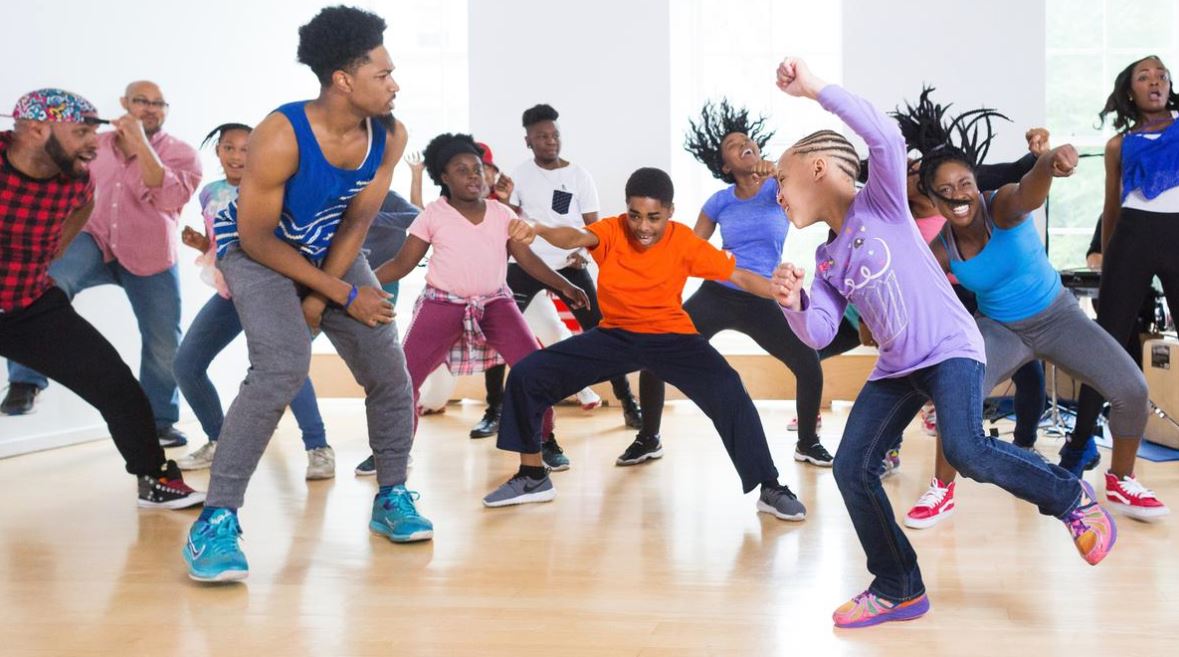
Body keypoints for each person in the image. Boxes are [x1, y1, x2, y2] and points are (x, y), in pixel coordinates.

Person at [769, 57, 1116, 628]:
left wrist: (813, 89)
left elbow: (883, 136)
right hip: (897, 367)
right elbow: (822, 332)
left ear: (817, 168)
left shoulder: (879, 202)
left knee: (966, 448)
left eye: (780, 180)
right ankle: (898, 585)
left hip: (951, 347)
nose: (776, 195)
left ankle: (1070, 499)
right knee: (851, 466)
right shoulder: (827, 259)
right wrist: (794, 306)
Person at [183, 5, 431, 583]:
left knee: (388, 368)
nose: (395, 85)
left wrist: (327, 298)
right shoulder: (280, 134)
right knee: (283, 365)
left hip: (333, 255)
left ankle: (392, 495)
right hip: (261, 258)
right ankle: (215, 520)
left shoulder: (390, 135)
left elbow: (355, 224)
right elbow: (255, 238)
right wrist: (342, 296)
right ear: (343, 80)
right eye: (383, 74)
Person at [481, 166, 806, 524]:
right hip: (616, 336)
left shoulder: (683, 241)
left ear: (670, 211)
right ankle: (532, 476)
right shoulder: (611, 230)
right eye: (635, 215)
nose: (643, 226)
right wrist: (539, 228)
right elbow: (575, 237)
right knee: (528, 374)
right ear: (626, 210)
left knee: (729, 388)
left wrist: (774, 290)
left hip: (672, 337)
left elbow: (739, 275)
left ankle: (770, 486)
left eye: (654, 216)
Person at [914, 128, 1167, 521]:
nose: (958, 194)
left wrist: (1048, 162)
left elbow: (1030, 190)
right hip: (1000, 328)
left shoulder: (1001, 207)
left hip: (1058, 316)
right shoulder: (942, 248)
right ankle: (942, 488)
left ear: (976, 183)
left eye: (964, 182)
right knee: (955, 394)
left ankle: (1120, 479)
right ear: (932, 201)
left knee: (1132, 389)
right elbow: (910, 285)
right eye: (944, 189)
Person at [0, 88, 203, 509]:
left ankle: (154, 479)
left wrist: (39, 261)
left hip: (27, 306)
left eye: (95, 132)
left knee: (117, 385)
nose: (95, 143)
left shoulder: (76, 180)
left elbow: (72, 223)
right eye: (81, 132)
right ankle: (24, 384)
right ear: (37, 130)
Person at [622, 99, 830, 468]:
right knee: (654, 351)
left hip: (763, 296)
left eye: (747, 140)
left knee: (807, 363)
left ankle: (808, 442)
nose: (743, 144)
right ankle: (648, 437)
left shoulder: (777, 190)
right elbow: (689, 249)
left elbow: (808, 186)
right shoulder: (719, 201)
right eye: (734, 145)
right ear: (725, 166)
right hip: (719, 291)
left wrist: (780, 172)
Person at [373, 132, 587, 475]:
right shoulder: (433, 215)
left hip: (495, 304)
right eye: (462, 170)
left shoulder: (502, 214)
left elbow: (527, 260)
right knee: (404, 376)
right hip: (442, 304)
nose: (474, 175)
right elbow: (402, 263)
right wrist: (355, 286)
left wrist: (564, 285)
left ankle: (545, 440)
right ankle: (393, 449)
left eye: (477, 169)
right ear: (444, 177)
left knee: (534, 368)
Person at [473, 103, 647, 440]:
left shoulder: (579, 177)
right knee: (496, 334)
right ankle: (493, 410)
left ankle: (628, 401)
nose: (550, 141)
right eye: (541, 136)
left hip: (569, 265)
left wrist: (582, 252)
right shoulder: (519, 175)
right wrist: (507, 200)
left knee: (602, 331)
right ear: (529, 141)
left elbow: (596, 229)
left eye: (554, 135)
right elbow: (508, 223)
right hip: (524, 265)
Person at [172, 123, 335, 479]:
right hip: (230, 293)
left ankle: (318, 447)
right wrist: (202, 244)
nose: (236, 156)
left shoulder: (273, 191)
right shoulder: (209, 194)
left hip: (271, 292)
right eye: (229, 148)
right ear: (218, 152)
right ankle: (219, 440)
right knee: (186, 364)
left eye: (246, 149)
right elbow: (224, 245)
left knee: (282, 366)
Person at [1070, 55, 1179, 473]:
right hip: (1132, 237)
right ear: (1129, 91)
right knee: (1108, 342)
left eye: (1162, 76)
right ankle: (1080, 444)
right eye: (1144, 77)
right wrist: (1106, 250)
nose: (1155, 82)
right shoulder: (1119, 144)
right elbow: (1111, 205)